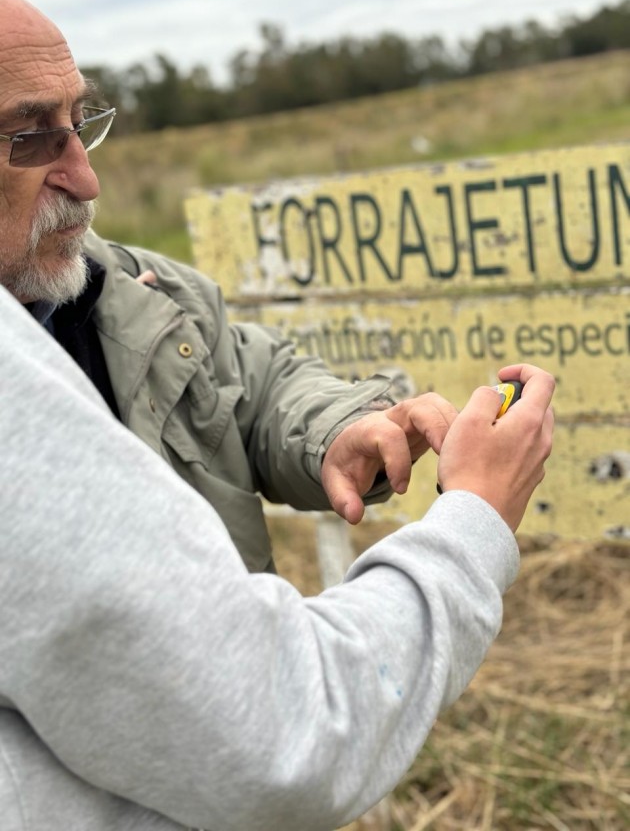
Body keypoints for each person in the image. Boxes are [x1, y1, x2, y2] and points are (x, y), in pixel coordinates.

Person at [0, 282, 554, 831]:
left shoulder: (104, 272)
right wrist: (476, 514)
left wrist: (335, 429)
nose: (87, 187)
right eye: (36, 182)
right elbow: (289, 729)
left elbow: (242, 379)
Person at [0, 0, 475, 573]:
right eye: (30, 139)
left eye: (79, 126)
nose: (86, 180)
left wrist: (339, 430)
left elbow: (254, 387)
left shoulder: (135, 291)